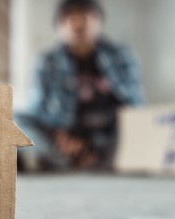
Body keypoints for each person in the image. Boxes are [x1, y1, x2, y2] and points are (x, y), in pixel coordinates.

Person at [17, 0, 145, 171]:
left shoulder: (121, 54)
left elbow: (136, 103)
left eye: (85, 16)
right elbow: (37, 108)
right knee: (16, 119)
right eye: (68, 18)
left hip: (108, 135)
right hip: (66, 134)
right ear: (59, 26)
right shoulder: (47, 60)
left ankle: (67, 160)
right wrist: (59, 136)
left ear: (99, 21)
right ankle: (69, 158)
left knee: (140, 123)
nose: (77, 24)